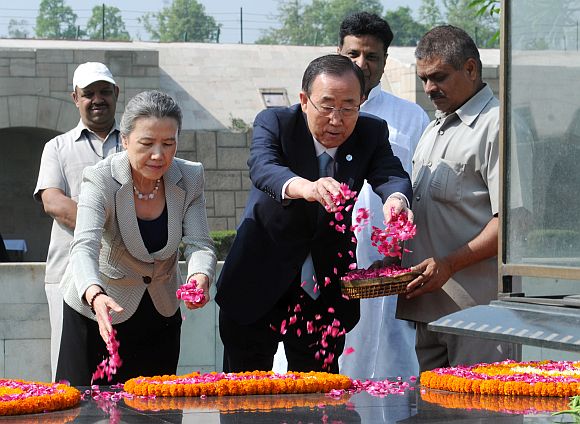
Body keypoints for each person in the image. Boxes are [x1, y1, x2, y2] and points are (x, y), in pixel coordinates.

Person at [215, 54, 412, 374]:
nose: (337, 119)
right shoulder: (275, 122)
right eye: (327, 105)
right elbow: (263, 167)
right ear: (304, 100)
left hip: (324, 289)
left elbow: (390, 174)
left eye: (349, 106)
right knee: (244, 398)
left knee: (320, 398)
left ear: (362, 101)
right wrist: (304, 187)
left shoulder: (371, 131)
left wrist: (396, 200)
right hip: (259, 279)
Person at [56, 90, 217, 386]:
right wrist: (95, 293)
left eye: (169, 143)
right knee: (85, 411)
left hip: (160, 311)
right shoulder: (101, 178)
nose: (159, 155)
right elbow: (84, 246)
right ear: (126, 140)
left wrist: (199, 276)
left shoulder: (190, 176)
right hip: (99, 311)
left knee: (156, 412)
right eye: (147, 143)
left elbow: (200, 243)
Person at [396, 26, 517, 372]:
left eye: (438, 77)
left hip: (479, 315)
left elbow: (510, 225)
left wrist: (449, 264)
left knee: (482, 412)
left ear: (470, 69)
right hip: (429, 309)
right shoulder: (434, 127)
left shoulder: (497, 125)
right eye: (424, 79)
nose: (429, 88)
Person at [337, 11, 430, 380]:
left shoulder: (409, 118)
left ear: (385, 61)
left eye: (371, 56)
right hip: (328, 263)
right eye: (353, 54)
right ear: (338, 53)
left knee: (391, 360)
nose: (362, 64)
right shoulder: (311, 113)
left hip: (387, 270)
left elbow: (420, 192)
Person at [34, 62, 121, 381]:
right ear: (75, 98)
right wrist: (110, 228)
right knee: (71, 372)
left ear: (116, 93)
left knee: (124, 370)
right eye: (88, 94)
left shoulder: (133, 144)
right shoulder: (56, 148)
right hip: (68, 276)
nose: (97, 99)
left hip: (125, 277)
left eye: (104, 92)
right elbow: (52, 201)